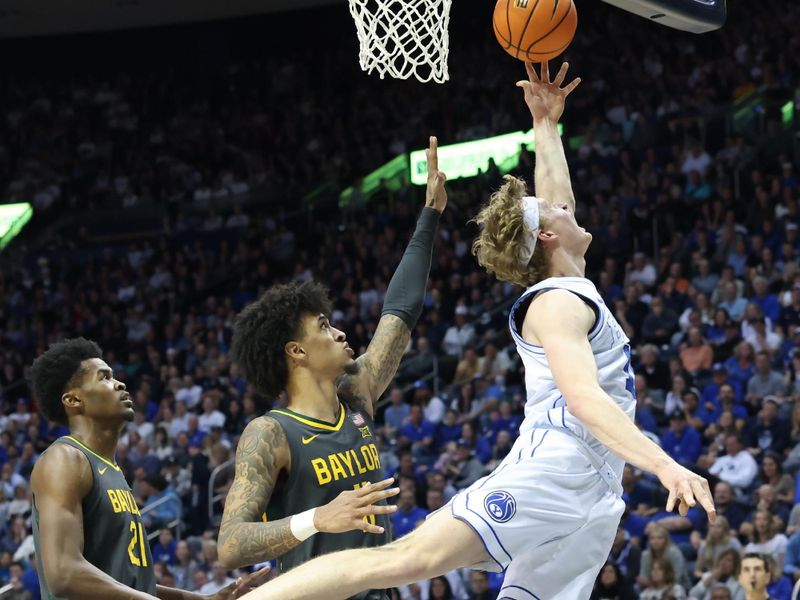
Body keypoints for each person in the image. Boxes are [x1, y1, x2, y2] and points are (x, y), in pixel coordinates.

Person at [235, 62, 714, 600]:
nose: (562, 204)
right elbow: (581, 397)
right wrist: (665, 465)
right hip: (554, 469)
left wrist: (546, 124)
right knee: (407, 560)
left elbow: (556, 200)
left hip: (595, 492)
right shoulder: (555, 303)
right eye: (553, 211)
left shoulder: (567, 280)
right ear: (551, 239)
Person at [216, 137, 448, 599]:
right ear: (295, 352)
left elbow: (399, 314)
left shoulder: (356, 394)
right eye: (323, 326)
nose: (340, 332)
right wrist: (317, 519)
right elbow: (231, 543)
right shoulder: (270, 433)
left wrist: (430, 216)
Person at [28, 337, 267, 599]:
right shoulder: (64, 459)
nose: (119, 383)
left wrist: (205, 599)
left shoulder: (112, 470)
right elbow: (64, 573)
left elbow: (129, 586)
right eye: (104, 377)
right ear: (73, 400)